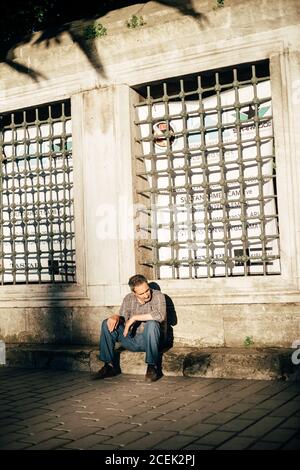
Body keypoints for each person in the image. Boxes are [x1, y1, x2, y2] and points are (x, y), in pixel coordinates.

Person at [92, 274, 166, 382]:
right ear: (134, 293)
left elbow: (160, 315)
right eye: (141, 293)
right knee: (106, 323)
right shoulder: (128, 298)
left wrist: (135, 318)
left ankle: (152, 367)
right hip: (131, 339)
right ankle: (108, 366)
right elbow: (123, 319)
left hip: (151, 341)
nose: (146, 295)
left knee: (152, 324)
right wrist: (115, 317)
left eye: (147, 290)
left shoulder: (158, 295)